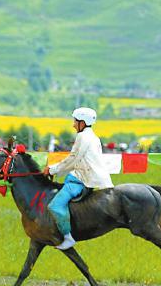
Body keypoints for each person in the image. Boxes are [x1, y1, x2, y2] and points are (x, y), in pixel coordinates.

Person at [43, 107, 114, 250]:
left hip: (82, 179)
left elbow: (72, 159)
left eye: (75, 121)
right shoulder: (93, 136)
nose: (73, 124)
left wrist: (51, 169)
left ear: (82, 122)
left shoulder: (83, 137)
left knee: (55, 206)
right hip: (86, 176)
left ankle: (68, 238)